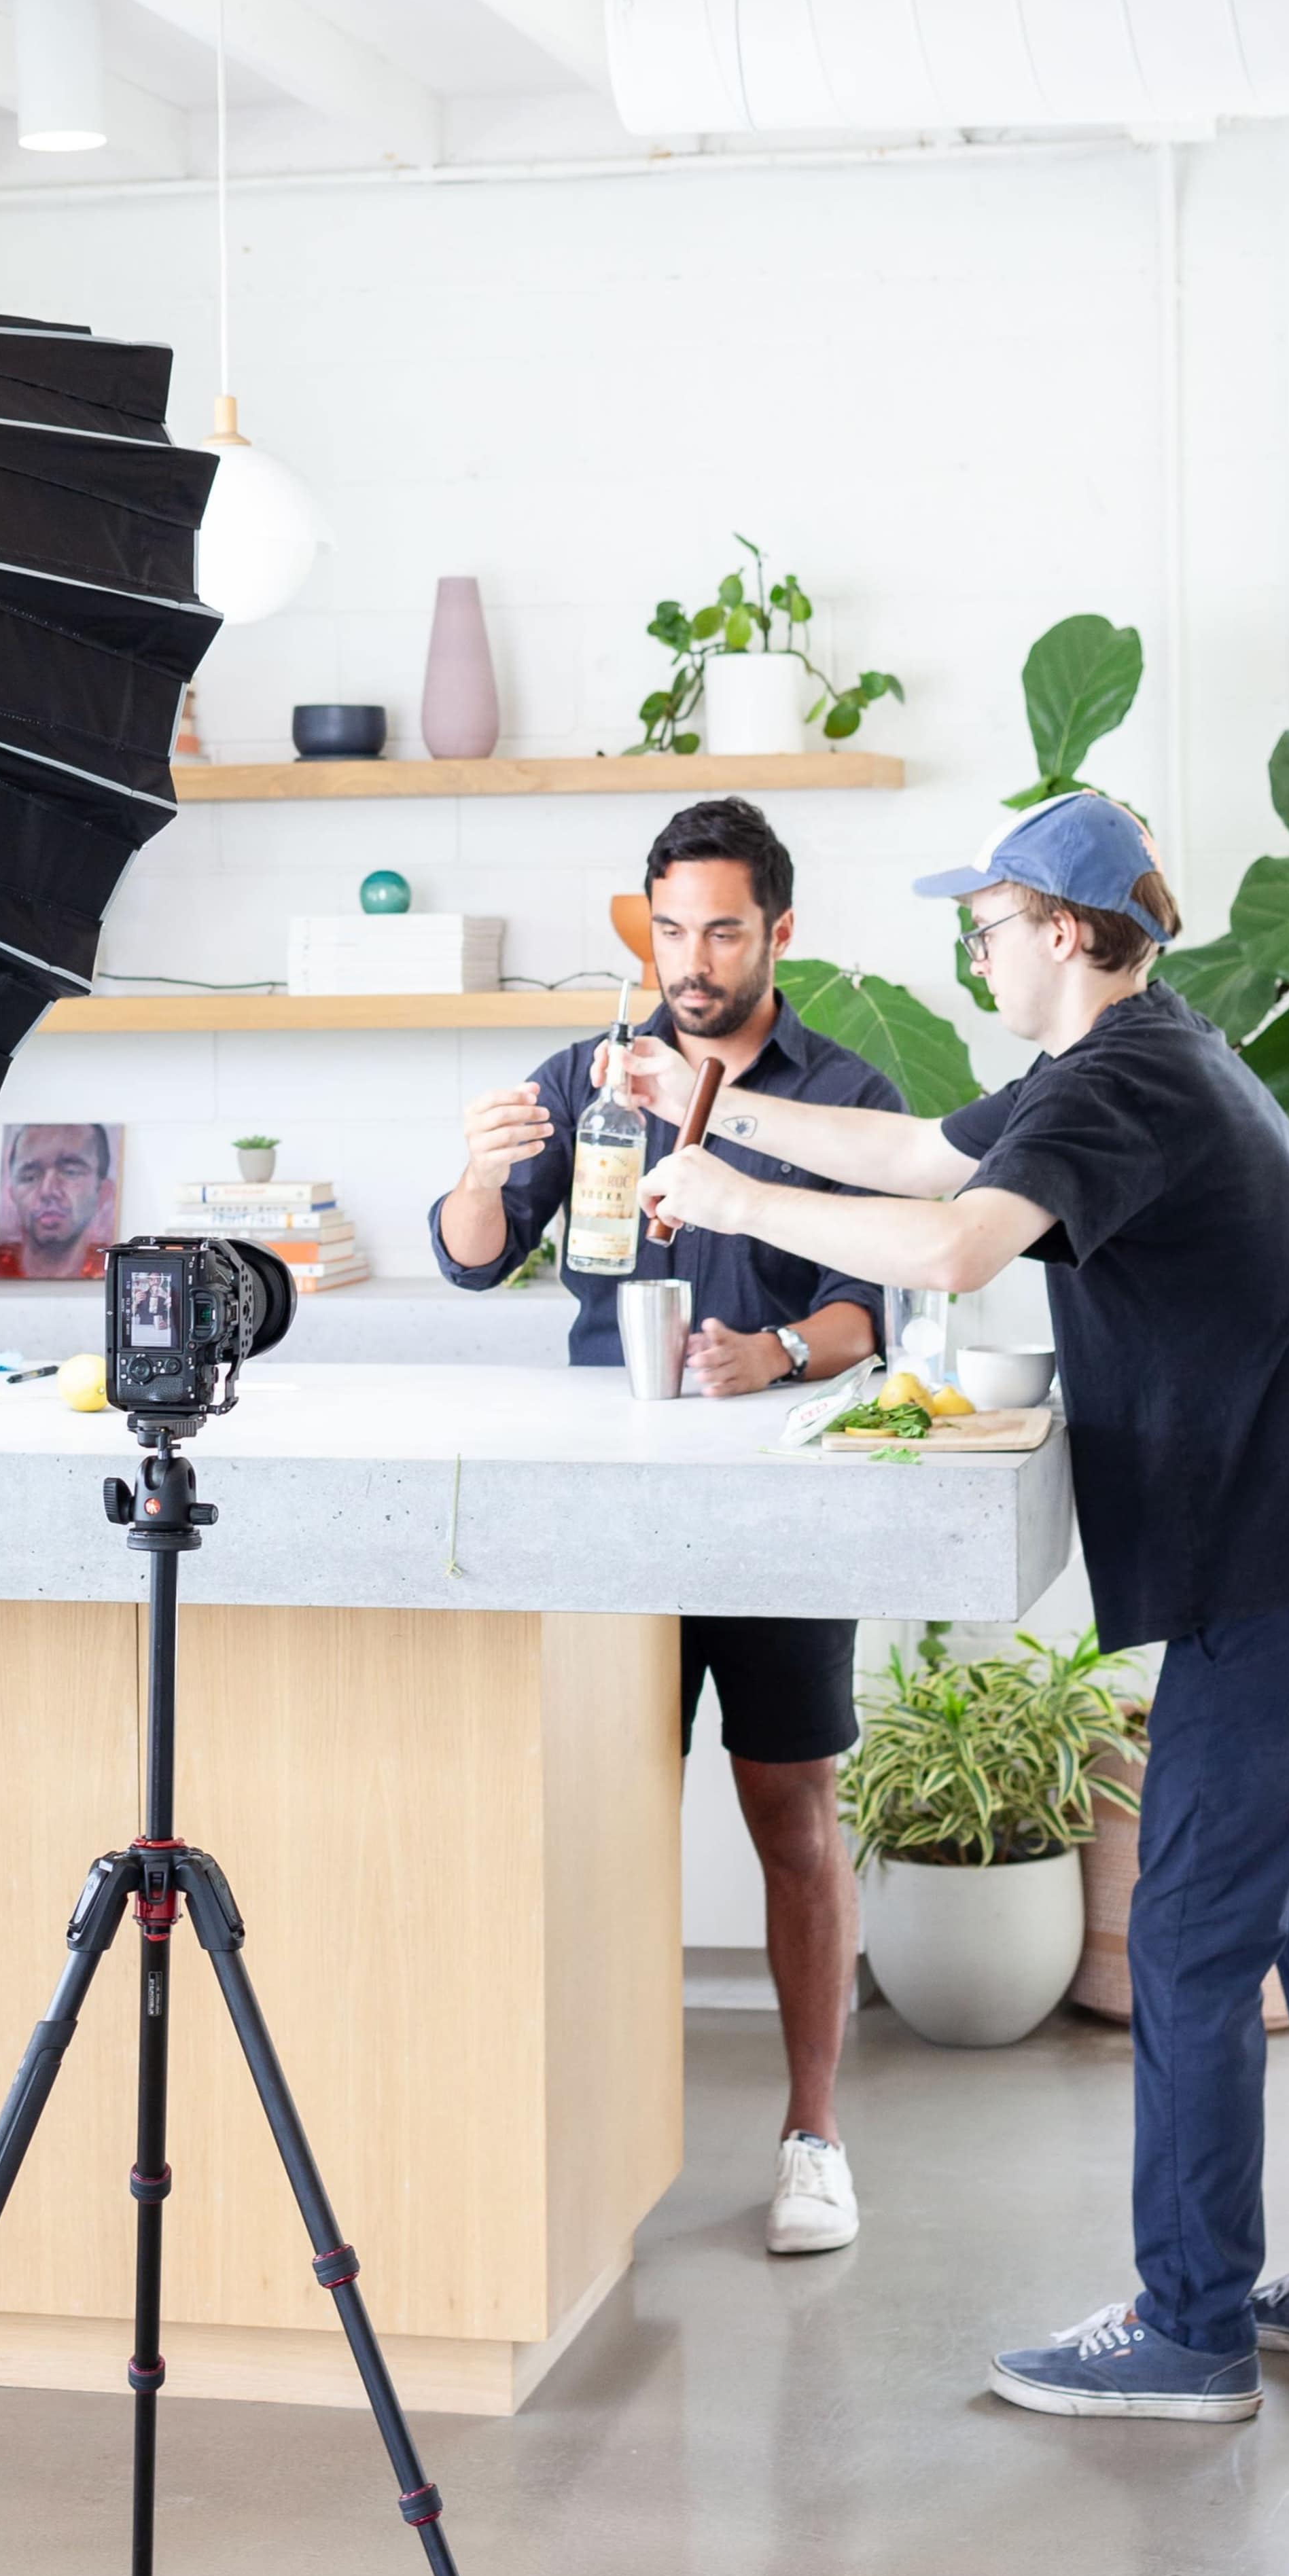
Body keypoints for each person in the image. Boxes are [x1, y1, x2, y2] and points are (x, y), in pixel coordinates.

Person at [634, 790, 1289, 2421]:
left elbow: (943, 1246)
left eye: (988, 923)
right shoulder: (1128, 1059)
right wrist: (707, 1104)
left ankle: (1189, 2324)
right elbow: (925, 1147)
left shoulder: (1125, 1080)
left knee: (1191, 1937)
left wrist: (725, 1200)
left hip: (1281, 1573)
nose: (974, 947)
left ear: (1064, 932)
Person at [431, 795, 900, 2257]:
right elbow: (475, 1259)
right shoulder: (590, 1077)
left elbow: (867, 1309)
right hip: (609, 1506)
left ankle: (813, 2134)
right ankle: (585, 2140)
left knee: (792, 1820)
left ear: (780, 935)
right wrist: (473, 1165)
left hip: (777, 1508)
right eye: (674, 928)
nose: (695, 959)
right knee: (593, 1816)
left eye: (724, 929)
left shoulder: (847, 1096)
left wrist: (780, 1356)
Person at [0, 1122, 118, 1280]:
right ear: (11, 1194)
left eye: (70, 1173)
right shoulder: (1, 1267)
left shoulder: (113, 1271)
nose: (48, 1191)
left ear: (104, 1192)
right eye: (30, 1177)